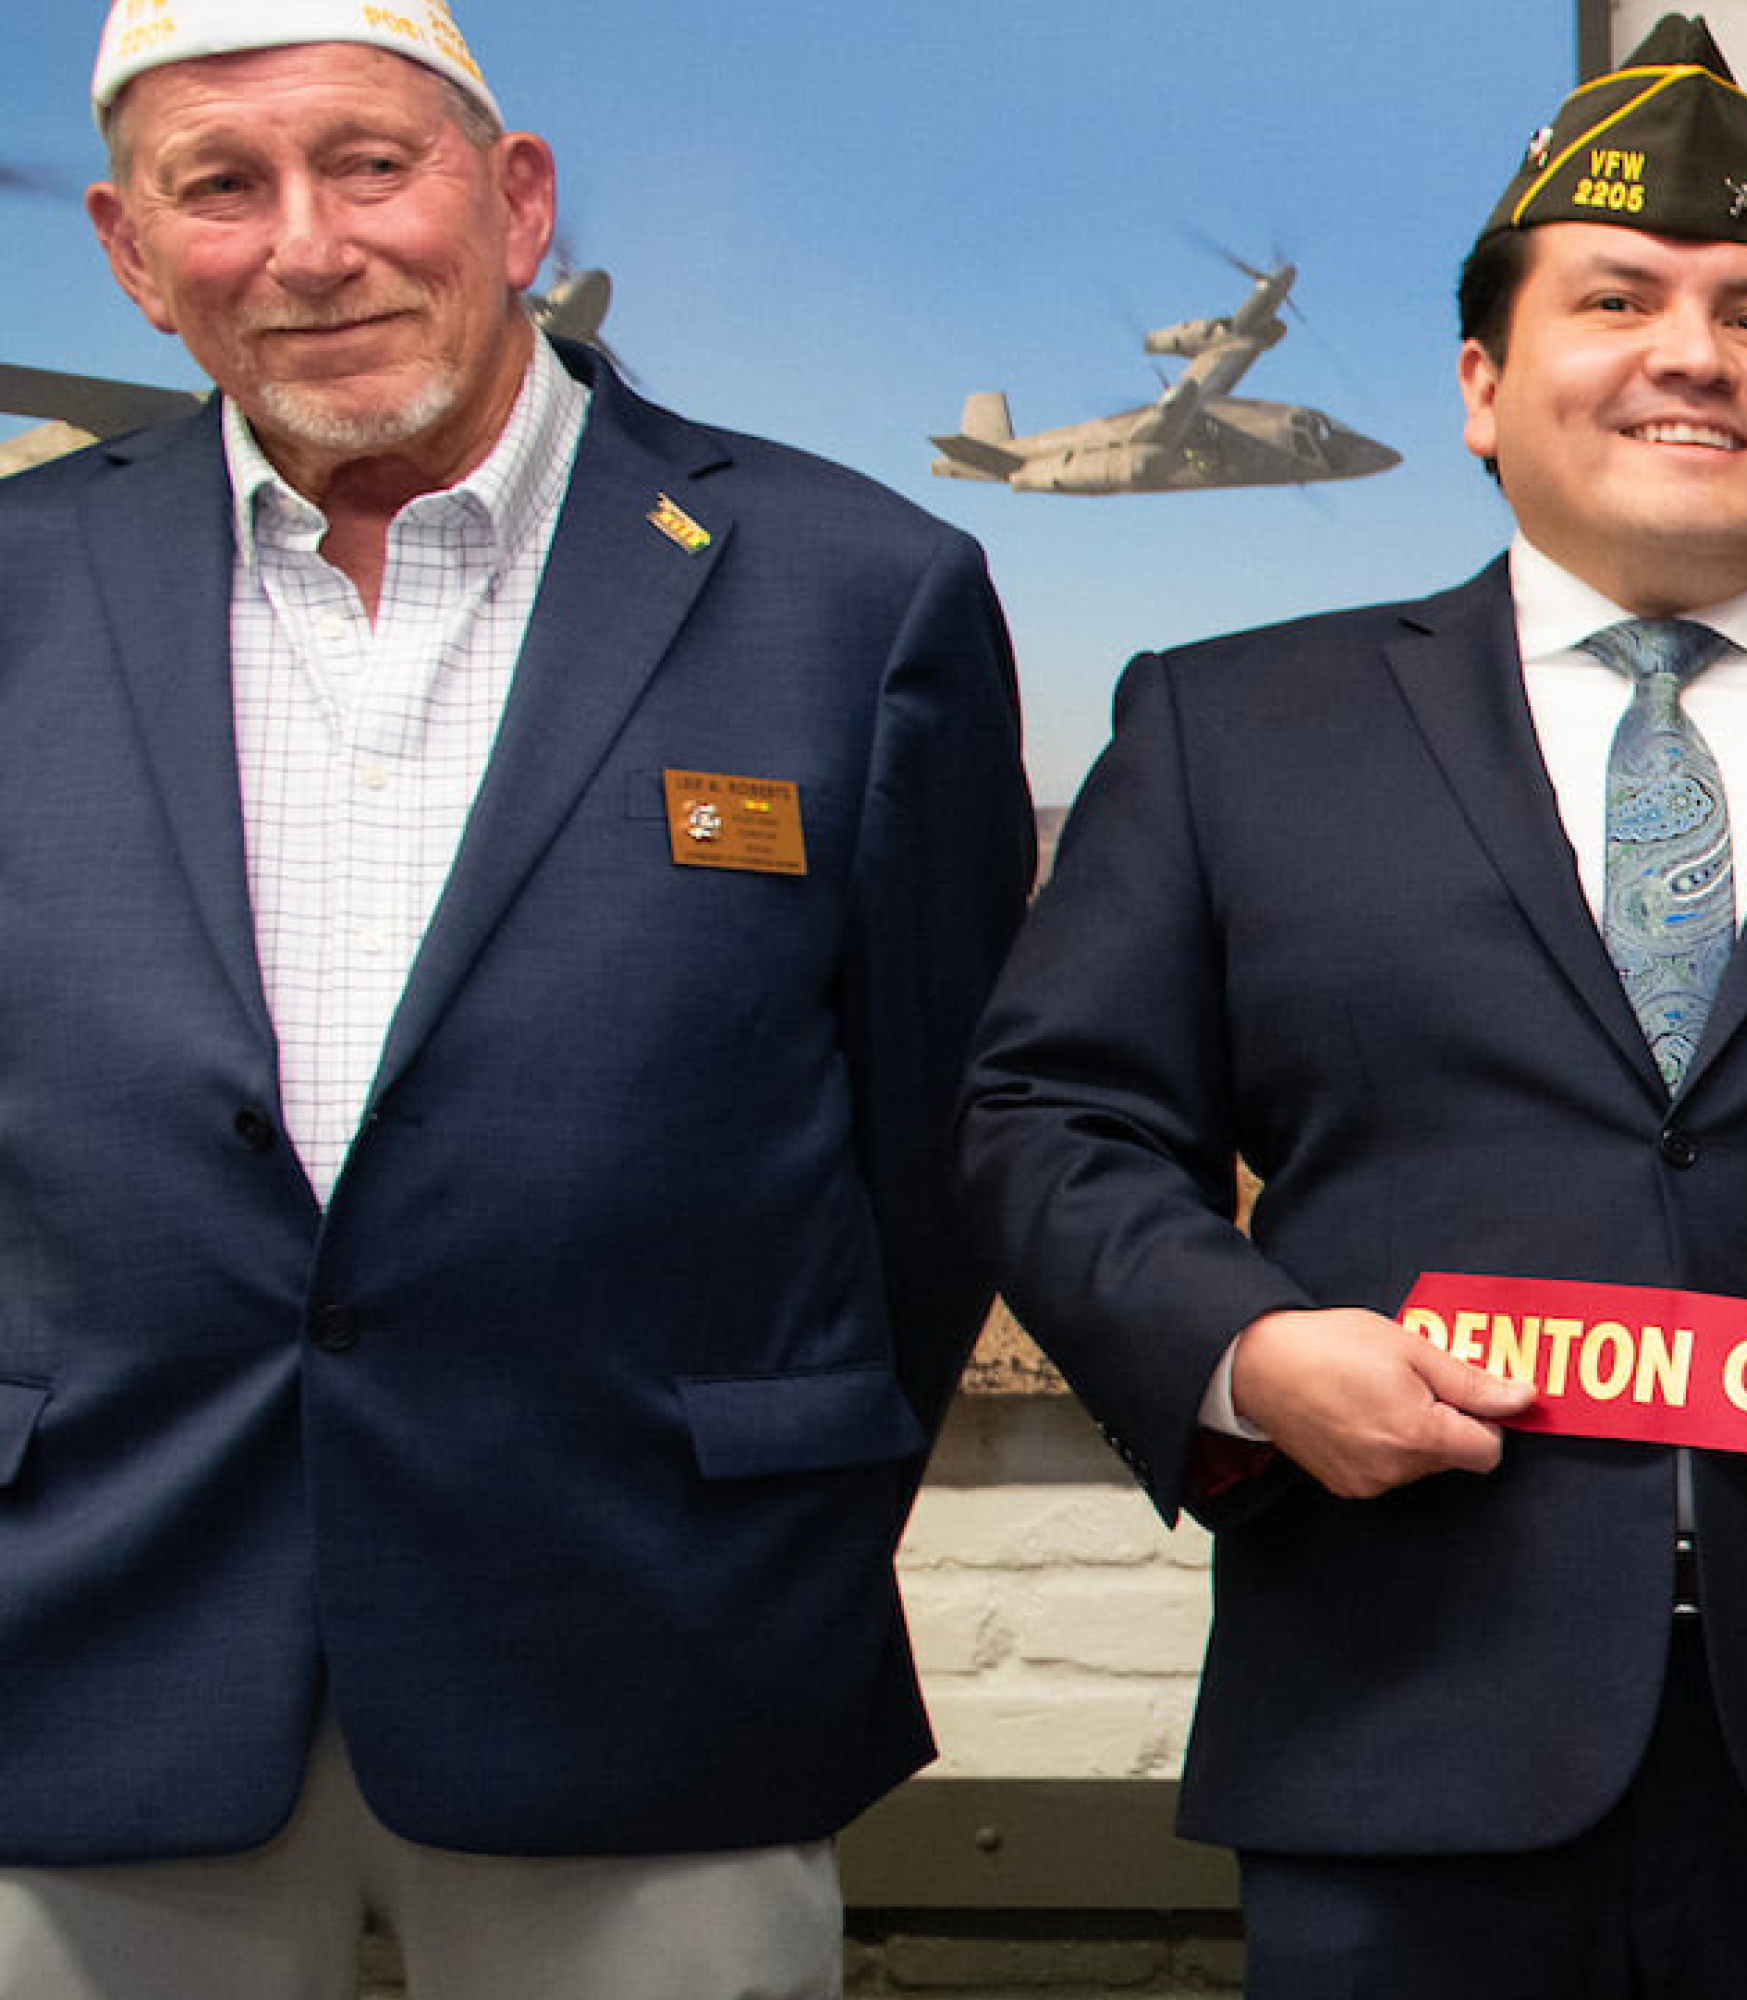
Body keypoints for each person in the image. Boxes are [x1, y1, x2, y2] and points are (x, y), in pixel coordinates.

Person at [961, 19, 1747, 1995]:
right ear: (1481, 384)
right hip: (1399, 1720)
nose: (1698, 354)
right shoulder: (1233, 727)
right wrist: (1248, 1353)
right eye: (1617, 299)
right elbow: (1053, 1122)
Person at [0, 1, 1037, 1991]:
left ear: (517, 199)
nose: (308, 244)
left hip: (653, 1634)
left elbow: (939, 1154)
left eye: (371, 162)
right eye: (224, 186)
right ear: (136, 257)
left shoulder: (852, 585)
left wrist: (756, 1479)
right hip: (86, 1644)